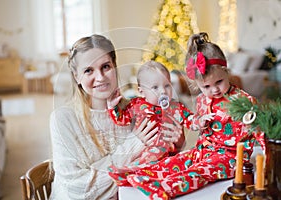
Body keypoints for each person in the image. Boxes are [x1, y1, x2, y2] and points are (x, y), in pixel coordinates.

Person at [124, 32, 266, 200]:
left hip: (230, 159)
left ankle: (164, 188)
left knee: (197, 172)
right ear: (197, 84)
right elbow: (193, 123)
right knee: (178, 160)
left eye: (219, 82)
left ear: (226, 71)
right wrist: (198, 122)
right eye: (206, 86)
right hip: (201, 150)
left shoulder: (244, 101)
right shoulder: (201, 99)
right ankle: (141, 175)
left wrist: (270, 158)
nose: (214, 90)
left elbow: (260, 131)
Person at [49, 34, 183, 199]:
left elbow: (153, 165)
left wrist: (175, 144)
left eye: (106, 66)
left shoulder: (134, 109)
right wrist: (134, 144)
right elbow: (78, 189)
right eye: (89, 70)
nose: (100, 77)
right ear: (77, 76)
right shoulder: (62, 119)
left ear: (115, 67)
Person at [107, 61, 193, 185]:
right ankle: (129, 175)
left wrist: (199, 121)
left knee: (185, 159)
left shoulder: (175, 107)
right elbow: (122, 119)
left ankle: (161, 178)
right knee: (143, 162)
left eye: (167, 85)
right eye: (155, 87)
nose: (163, 91)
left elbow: (189, 119)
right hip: (147, 151)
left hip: (169, 154)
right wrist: (113, 107)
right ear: (141, 92)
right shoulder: (137, 105)